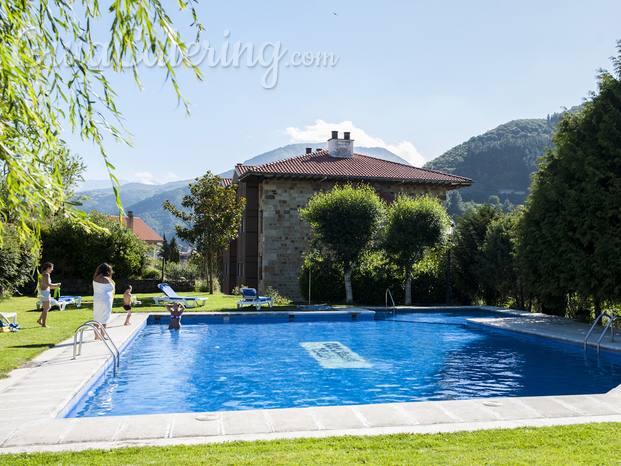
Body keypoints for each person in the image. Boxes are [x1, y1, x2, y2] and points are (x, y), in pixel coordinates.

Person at [92, 263, 115, 340]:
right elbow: (111, 288)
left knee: (96, 317)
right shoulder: (106, 279)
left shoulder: (95, 278)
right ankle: (102, 335)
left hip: (97, 300)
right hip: (105, 300)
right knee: (104, 318)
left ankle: (96, 336)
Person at [37, 262, 60, 328]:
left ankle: (40, 320)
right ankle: (44, 324)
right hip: (45, 292)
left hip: (42, 291)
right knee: (46, 308)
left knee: (48, 307)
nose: (52, 270)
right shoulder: (47, 274)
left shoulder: (42, 274)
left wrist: (53, 287)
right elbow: (47, 284)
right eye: (51, 268)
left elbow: (44, 284)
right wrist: (56, 284)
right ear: (48, 268)